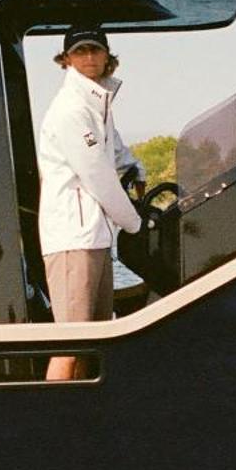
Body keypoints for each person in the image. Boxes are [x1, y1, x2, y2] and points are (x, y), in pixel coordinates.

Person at [37, 26, 143, 379]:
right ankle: (49, 423)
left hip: (95, 237)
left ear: (107, 57)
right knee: (71, 343)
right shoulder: (71, 109)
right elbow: (96, 173)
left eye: (95, 50)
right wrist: (136, 223)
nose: (88, 58)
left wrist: (137, 169)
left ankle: (78, 422)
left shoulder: (97, 102)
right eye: (80, 51)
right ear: (66, 59)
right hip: (73, 238)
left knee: (94, 340)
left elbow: (114, 152)